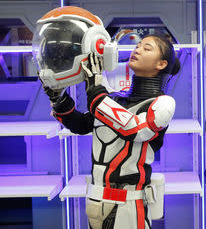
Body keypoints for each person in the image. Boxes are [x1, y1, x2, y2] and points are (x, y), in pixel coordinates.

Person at [42, 33, 180, 229]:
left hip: (129, 203)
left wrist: (95, 89)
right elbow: (81, 124)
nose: (137, 50)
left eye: (147, 48)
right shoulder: (113, 100)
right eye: (137, 46)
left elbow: (134, 129)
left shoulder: (163, 103)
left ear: (161, 64)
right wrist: (59, 100)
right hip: (95, 199)